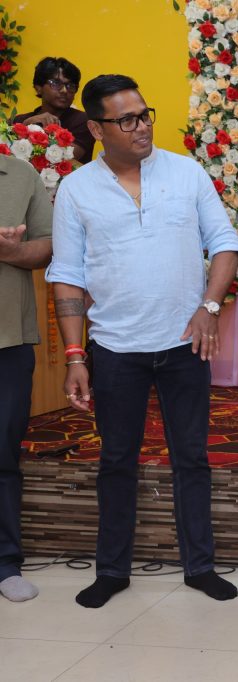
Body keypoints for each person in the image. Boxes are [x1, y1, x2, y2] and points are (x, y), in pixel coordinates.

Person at [46, 74, 238, 608]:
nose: (142, 127)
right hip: (114, 350)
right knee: (116, 461)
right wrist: (75, 355)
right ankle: (112, 571)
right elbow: (67, 277)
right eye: (126, 119)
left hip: (184, 346)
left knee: (192, 459)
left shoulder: (186, 172)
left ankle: (200, 567)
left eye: (144, 114)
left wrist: (209, 307)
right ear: (96, 128)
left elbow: (225, 244)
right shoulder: (77, 190)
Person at [0, 155, 53, 603]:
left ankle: (5, 563)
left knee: (3, 454)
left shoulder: (19, 175)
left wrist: (12, 251)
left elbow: (48, 247)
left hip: (9, 339)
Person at [12, 57, 94, 162]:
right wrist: (25, 126)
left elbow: (64, 160)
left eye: (70, 86)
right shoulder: (19, 121)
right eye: (56, 83)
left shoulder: (83, 121)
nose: (64, 90)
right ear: (38, 88)